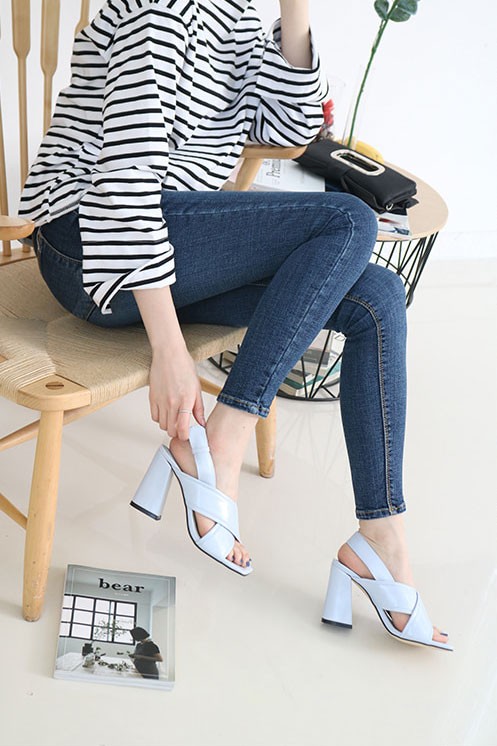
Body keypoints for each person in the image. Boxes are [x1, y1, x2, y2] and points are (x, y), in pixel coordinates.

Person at [19, 0, 450, 650]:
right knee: (349, 220)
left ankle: (380, 538)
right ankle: (224, 439)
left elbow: (292, 127)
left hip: (176, 248)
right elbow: (122, 182)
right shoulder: (156, 12)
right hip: (89, 246)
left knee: (378, 295)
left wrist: (294, 11)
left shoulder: (235, 15)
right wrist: (171, 352)